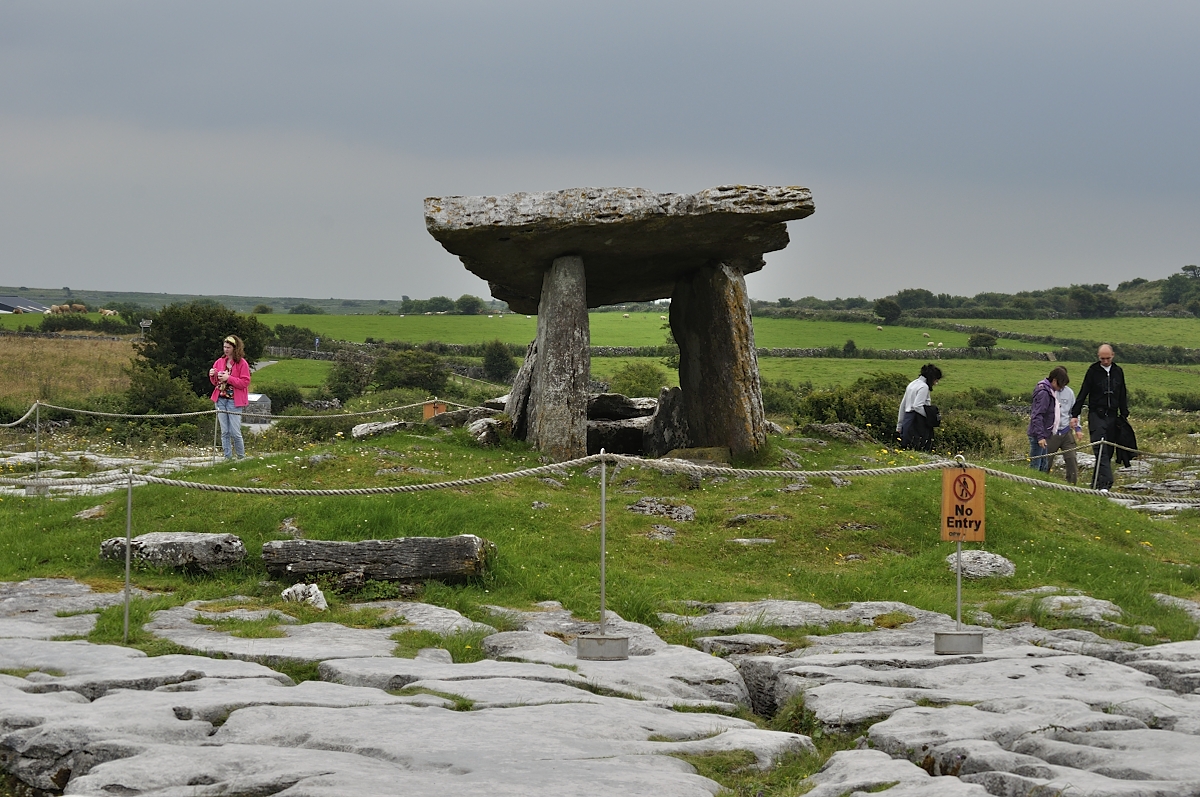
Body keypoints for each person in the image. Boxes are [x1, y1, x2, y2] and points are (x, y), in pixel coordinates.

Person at [1070, 343, 1128, 491]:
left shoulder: (1118, 371)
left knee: (1108, 451)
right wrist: (1075, 414)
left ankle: (1096, 485)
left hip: (1113, 416)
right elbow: (1084, 392)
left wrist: (1124, 415)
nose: (1105, 361)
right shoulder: (1093, 371)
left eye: (1108, 358)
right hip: (1097, 414)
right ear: (1098, 357)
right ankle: (1107, 482)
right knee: (1099, 448)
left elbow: (1122, 393)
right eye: (1102, 359)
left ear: (1113, 356)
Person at [209, 334, 251, 460]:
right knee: (225, 431)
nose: (226, 350)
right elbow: (215, 383)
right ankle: (227, 457)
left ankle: (241, 457)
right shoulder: (219, 361)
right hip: (220, 400)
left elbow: (245, 382)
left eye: (228, 347)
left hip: (234, 401)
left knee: (235, 432)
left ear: (235, 348)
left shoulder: (242, 363)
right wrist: (212, 375)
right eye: (224, 347)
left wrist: (229, 378)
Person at [1028, 366, 1067, 472]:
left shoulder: (1049, 391)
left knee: (1043, 465)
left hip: (1043, 434)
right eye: (1060, 385)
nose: (1060, 388)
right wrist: (1040, 437)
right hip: (1038, 435)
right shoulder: (1044, 393)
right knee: (1036, 466)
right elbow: (1037, 415)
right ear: (1054, 380)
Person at [1045, 368, 1081, 483]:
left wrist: (1077, 428)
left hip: (1066, 432)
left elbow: (1074, 412)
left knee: (1072, 459)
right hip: (1051, 433)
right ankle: (1041, 482)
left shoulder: (1069, 392)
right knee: (1046, 461)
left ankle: (1072, 485)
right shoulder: (1047, 391)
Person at [896, 363, 942, 451]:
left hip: (907, 419)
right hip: (917, 421)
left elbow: (903, 405)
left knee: (906, 446)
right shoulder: (924, 387)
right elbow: (917, 406)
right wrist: (930, 417)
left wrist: (899, 425)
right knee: (920, 447)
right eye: (936, 380)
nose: (936, 383)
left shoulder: (912, 384)